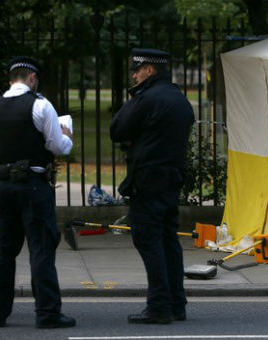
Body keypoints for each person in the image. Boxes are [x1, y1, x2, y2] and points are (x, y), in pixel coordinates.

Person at [0, 56, 75, 328]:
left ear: (12, 79)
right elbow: (58, 147)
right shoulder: (41, 105)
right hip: (33, 185)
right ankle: (47, 313)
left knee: (1, 250)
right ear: (32, 78)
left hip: (1, 186)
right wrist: (66, 133)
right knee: (41, 249)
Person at [110, 48, 194, 324]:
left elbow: (117, 129)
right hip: (171, 179)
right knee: (169, 241)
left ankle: (158, 307)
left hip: (147, 181)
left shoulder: (147, 98)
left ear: (149, 70)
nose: (134, 75)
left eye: (137, 70)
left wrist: (134, 98)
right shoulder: (179, 99)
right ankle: (176, 303)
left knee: (149, 241)